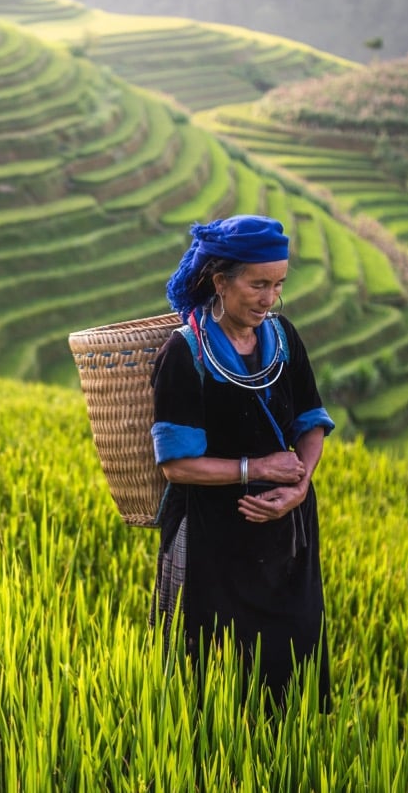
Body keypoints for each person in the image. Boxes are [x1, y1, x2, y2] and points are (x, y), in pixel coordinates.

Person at [150, 214, 334, 711]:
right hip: (214, 541)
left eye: (278, 285)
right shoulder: (185, 354)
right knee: (215, 678)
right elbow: (177, 466)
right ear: (220, 281)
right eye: (258, 284)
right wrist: (257, 470)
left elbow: (311, 422)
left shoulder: (283, 338)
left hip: (287, 533)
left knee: (292, 661)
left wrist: (299, 486)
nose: (269, 298)